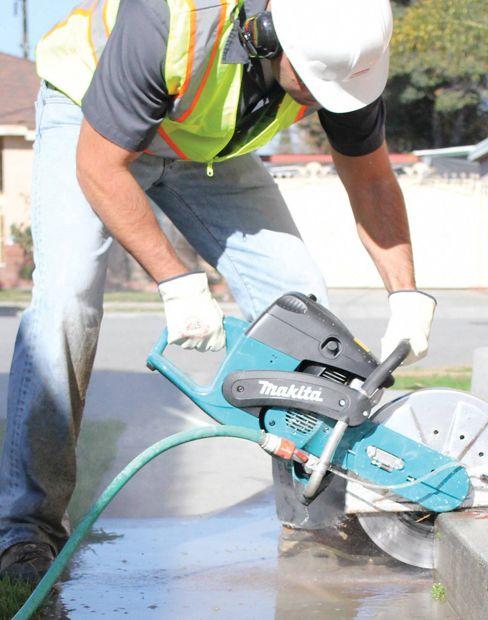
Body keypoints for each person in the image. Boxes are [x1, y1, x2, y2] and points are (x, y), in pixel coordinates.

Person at [0, 0, 437, 583]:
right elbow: (101, 167)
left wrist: (406, 294)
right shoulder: (172, 19)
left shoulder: (344, 54)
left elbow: (371, 176)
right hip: (90, 120)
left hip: (199, 149)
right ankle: (25, 530)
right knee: (67, 298)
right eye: (311, 84)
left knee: (303, 307)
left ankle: (319, 510)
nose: (320, 101)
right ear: (270, 37)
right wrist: (177, 281)